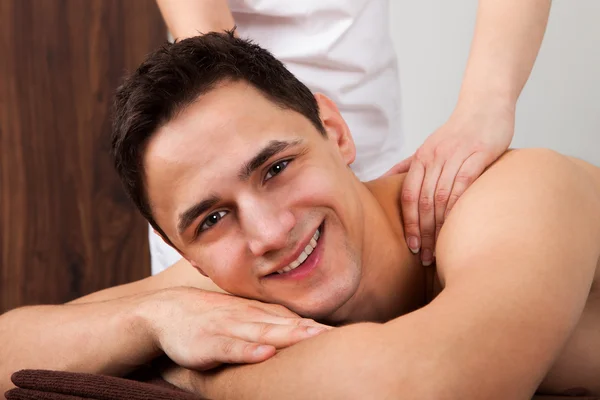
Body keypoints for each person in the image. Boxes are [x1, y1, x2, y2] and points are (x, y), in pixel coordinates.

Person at [2, 33, 599, 399]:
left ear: (335, 133)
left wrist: (193, 372)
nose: (269, 232)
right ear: (187, 257)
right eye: (211, 220)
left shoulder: (513, 194)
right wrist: (151, 321)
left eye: (276, 168)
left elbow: (424, 386)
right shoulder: (226, 281)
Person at [152, 0, 552, 269]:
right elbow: (210, 48)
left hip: (367, 140)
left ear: (336, 132)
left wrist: (485, 107)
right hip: (227, 151)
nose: (272, 234)